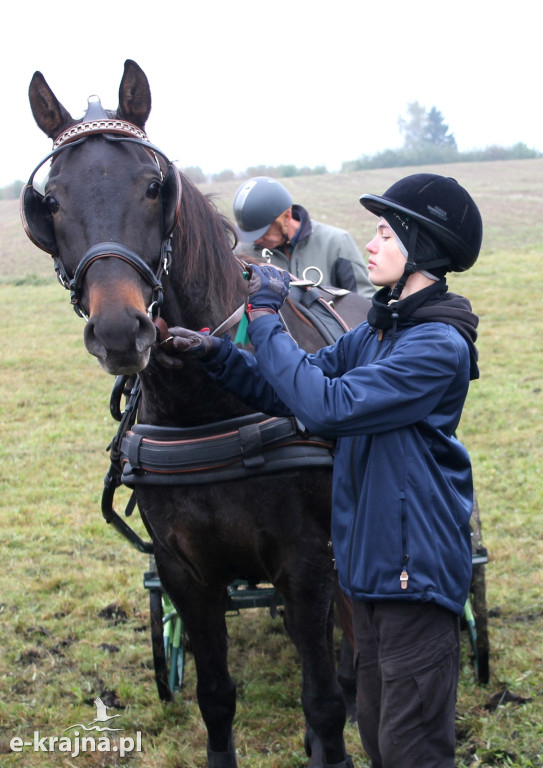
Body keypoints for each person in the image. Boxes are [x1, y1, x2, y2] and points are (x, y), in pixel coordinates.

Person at [166, 173, 483, 768]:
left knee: (413, 748)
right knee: (381, 740)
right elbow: (292, 384)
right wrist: (217, 354)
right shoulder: (379, 332)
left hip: (414, 571)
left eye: (386, 233)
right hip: (370, 568)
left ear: (422, 247)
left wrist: (265, 316)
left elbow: (324, 406)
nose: (370, 244)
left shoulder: (435, 345)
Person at [233, 176, 375, 299]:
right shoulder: (242, 253)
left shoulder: (336, 243)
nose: (255, 241)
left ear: (287, 217)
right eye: (250, 234)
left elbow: (362, 301)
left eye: (262, 232)